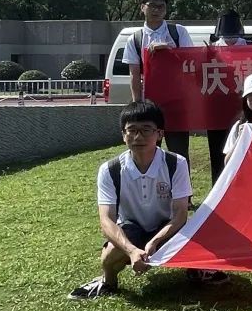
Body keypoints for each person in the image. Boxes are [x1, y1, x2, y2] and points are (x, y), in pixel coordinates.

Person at [68, 100, 192, 299]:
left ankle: (198, 272)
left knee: (197, 237)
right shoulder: (110, 169)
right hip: (130, 229)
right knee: (108, 258)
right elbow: (106, 221)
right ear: (123, 135)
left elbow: (180, 215)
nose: (138, 137)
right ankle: (108, 282)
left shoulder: (176, 163)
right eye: (131, 130)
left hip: (167, 228)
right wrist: (132, 251)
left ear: (160, 134)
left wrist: (155, 241)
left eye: (146, 130)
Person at [122, 0, 195, 163]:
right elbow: (134, 75)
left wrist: (169, 50)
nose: (156, 10)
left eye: (161, 6)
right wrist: (138, 106)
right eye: (152, 5)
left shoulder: (178, 32)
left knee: (179, 154)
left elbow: (191, 63)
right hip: (149, 104)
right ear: (142, 7)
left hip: (176, 104)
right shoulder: (135, 39)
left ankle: (181, 182)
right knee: (148, 152)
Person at [207, 10, 251, 183]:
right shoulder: (211, 49)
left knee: (244, 149)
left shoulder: (251, 47)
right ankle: (218, 187)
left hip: (244, 108)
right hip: (217, 111)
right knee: (218, 152)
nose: (229, 38)